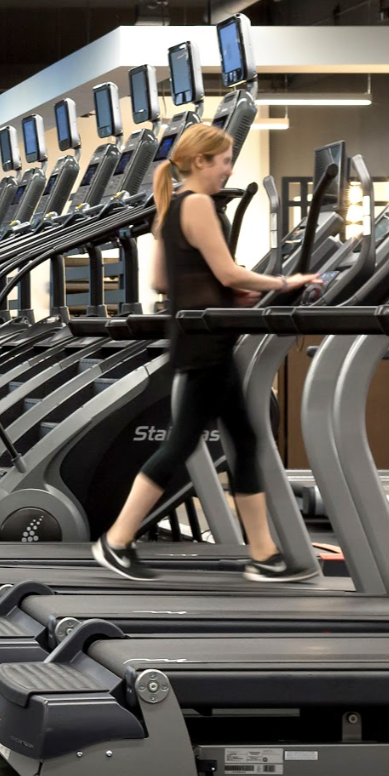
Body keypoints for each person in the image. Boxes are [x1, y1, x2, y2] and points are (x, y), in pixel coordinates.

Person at [91, 123, 321, 583]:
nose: (228, 169)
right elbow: (230, 272)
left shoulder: (172, 207)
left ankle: (264, 554)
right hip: (205, 345)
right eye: (224, 161)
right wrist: (283, 283)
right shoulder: (197, 204)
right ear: (200, 162)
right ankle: (116, 540)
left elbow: (161, 281)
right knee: (182, 444)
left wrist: (220, 292)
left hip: (201, 338)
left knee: (246, 440)